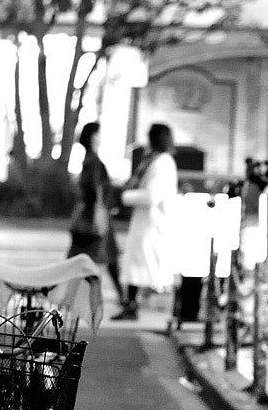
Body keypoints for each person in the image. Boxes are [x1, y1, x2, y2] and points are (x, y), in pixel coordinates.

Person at [121, 123, 195, 326]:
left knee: (146, 266)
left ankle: (134, 304)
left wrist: (126, 196)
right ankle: (132, 303)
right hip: (150, 222)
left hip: (153, 222)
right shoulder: (158, 160)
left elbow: (152, 195)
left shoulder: (161, 162)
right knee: (141, 266)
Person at [67, 121, 125, 309]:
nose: (101, 137)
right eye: (99, 133)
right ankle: (115, 298)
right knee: (95, 259)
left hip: (93, 217)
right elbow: (92, 189)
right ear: (93, 136)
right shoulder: (93, 161)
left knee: (97, 259)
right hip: (95, 219)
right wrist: (103, 203)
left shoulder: (89, 159)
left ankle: (120, 298)